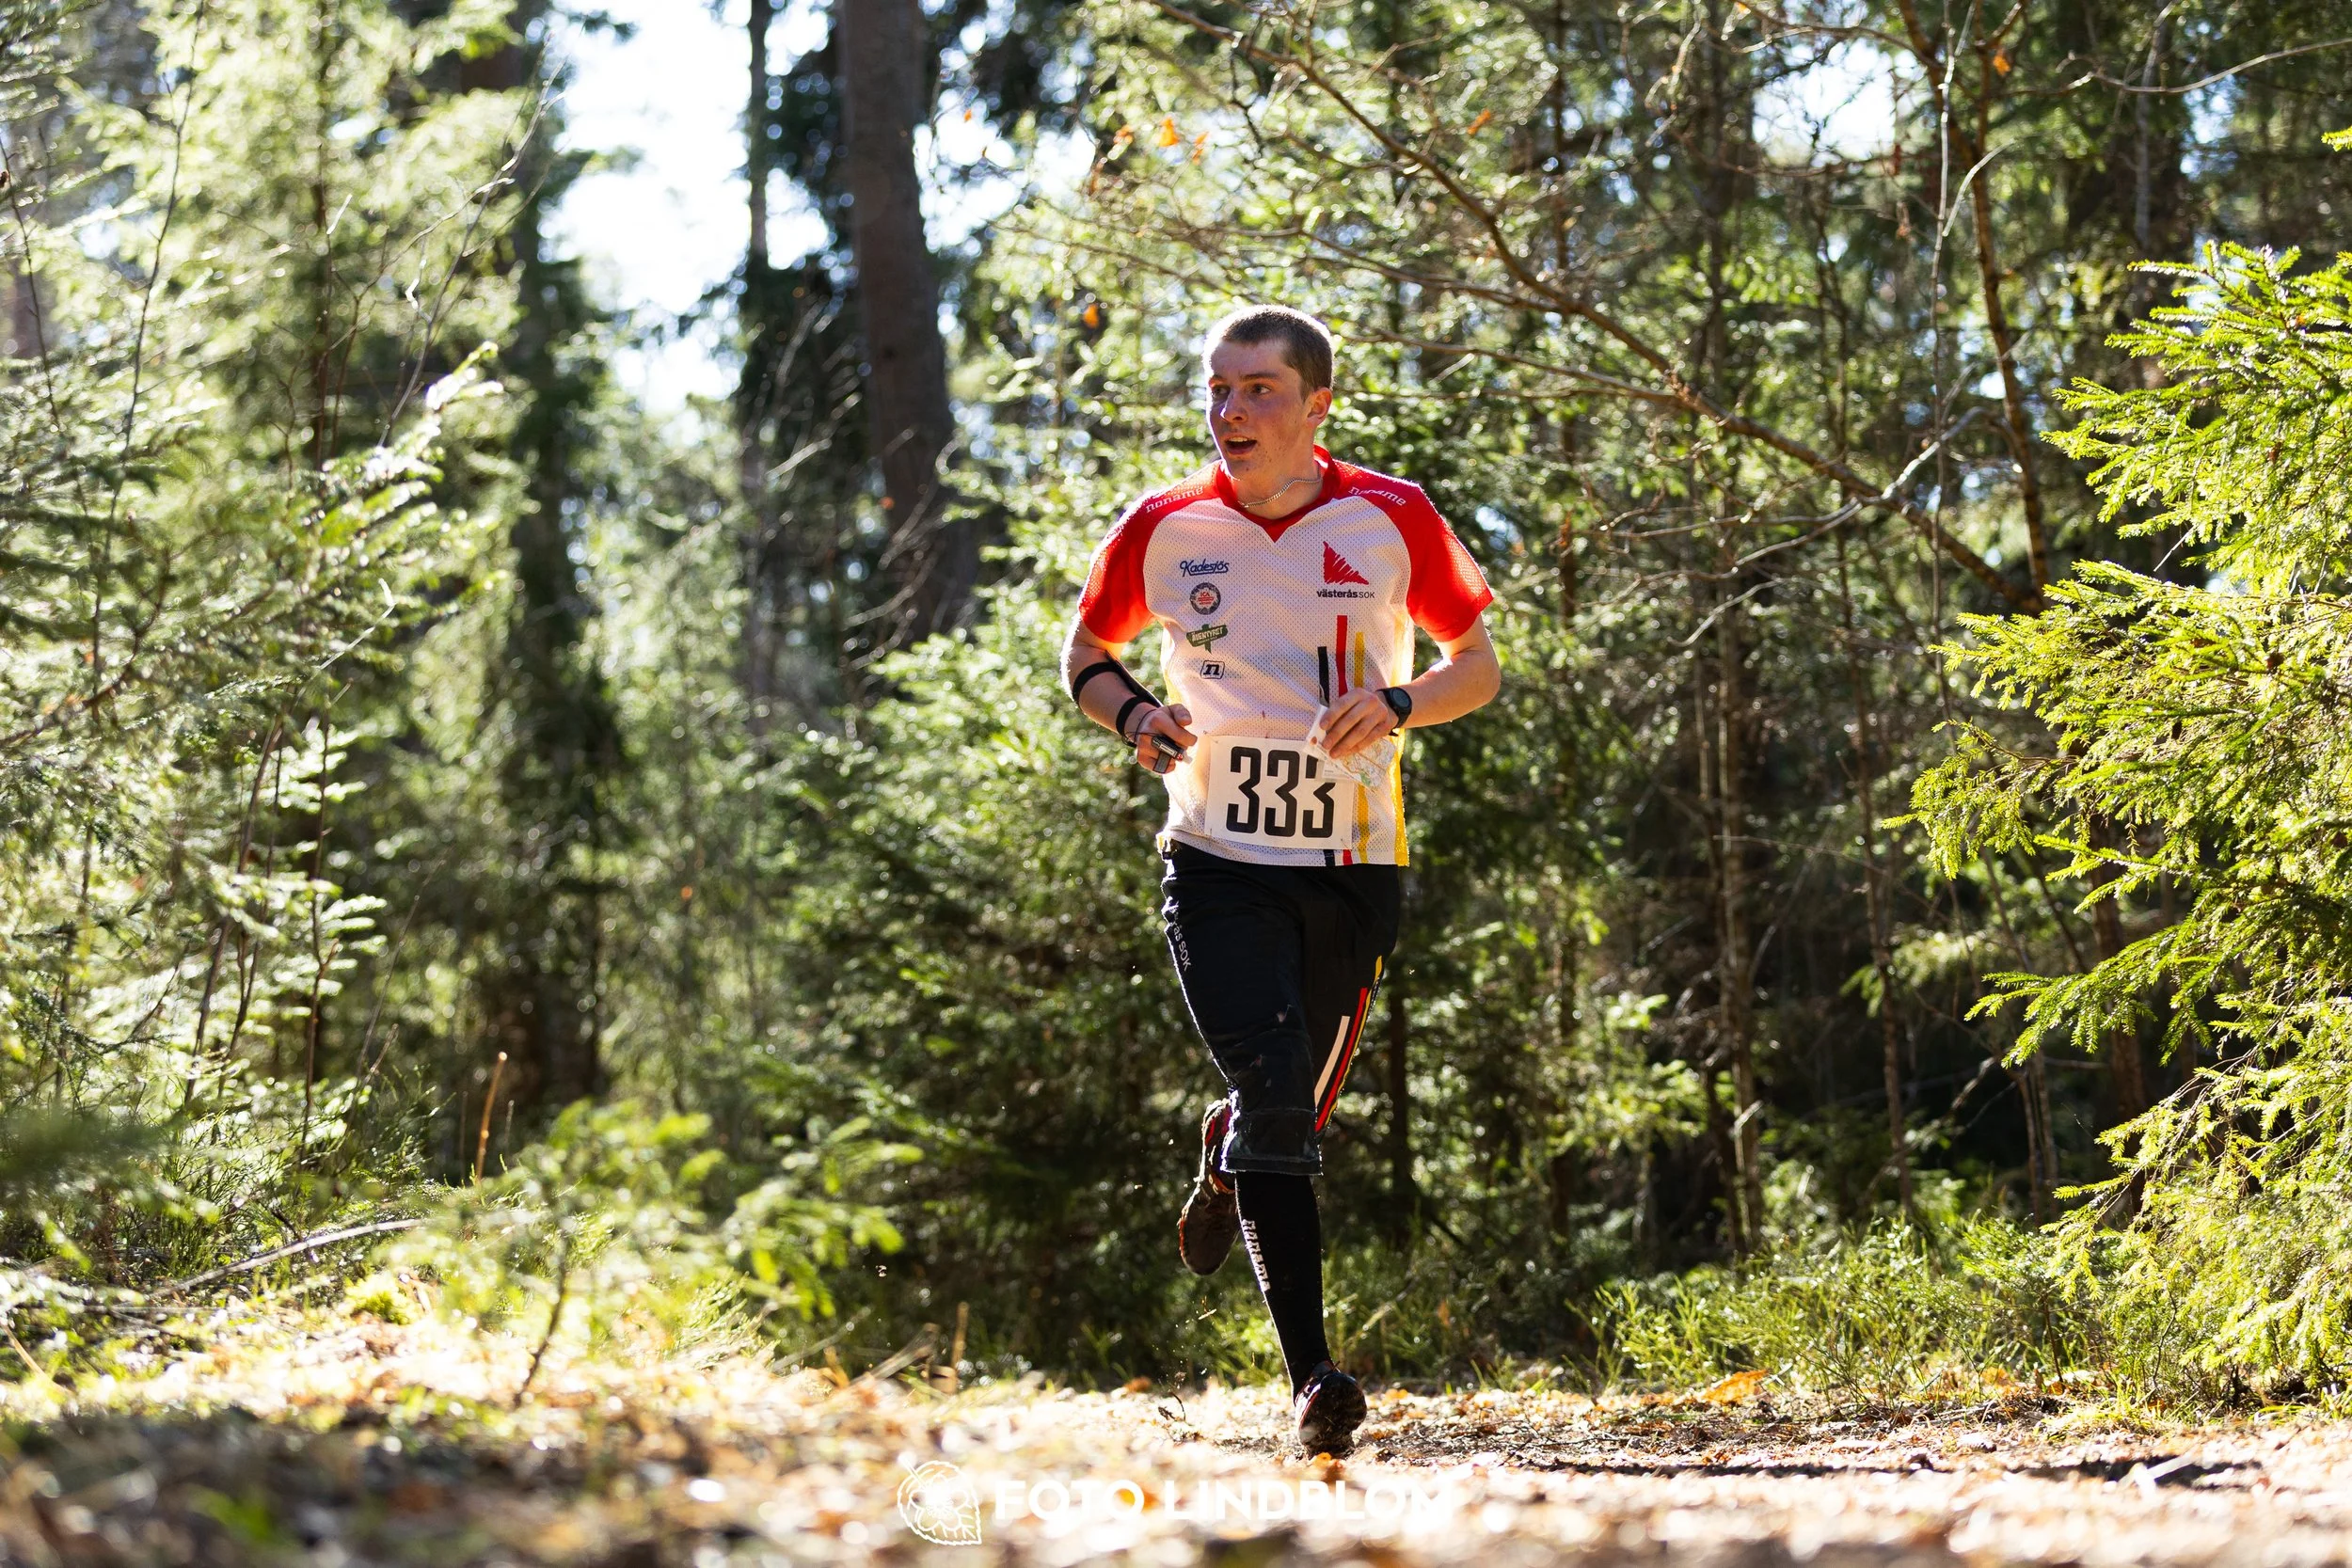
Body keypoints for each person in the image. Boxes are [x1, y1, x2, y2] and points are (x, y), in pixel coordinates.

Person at [1060, 304, 1502, 1452]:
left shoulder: (1392, 514)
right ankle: (1314, 1381)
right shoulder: (1162, 525)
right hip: (1215, 859)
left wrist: (1397, 701)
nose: (1231, 410)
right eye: (1217, 389)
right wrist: (1136, 716)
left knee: (1288, 1111)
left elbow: (1476, 665)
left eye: (1258, 389)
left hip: (1353, 866)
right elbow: (1086, 654)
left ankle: (1225, 1157)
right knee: (1275, 1100)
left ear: (1317, 406)